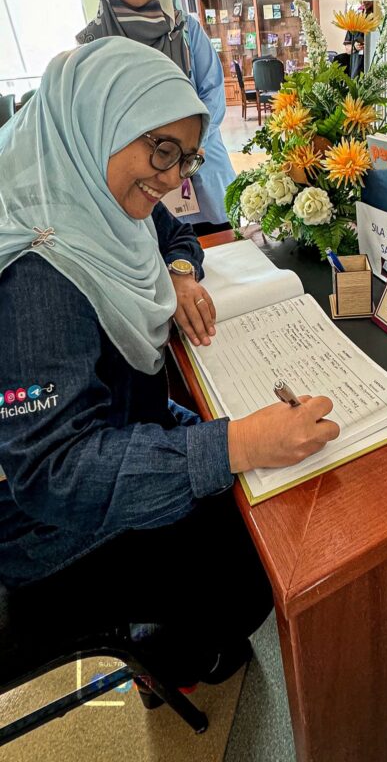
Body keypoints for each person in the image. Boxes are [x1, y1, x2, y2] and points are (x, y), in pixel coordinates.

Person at [0, 38, 338, 685]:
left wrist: (180, 272)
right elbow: (54, 474)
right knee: (252, 554)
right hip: (49, 531)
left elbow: (174, 231)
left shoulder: (89, 192)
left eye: (186, 159)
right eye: (161, 150)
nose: (174, 178)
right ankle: (180, 659)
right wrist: (236, 444)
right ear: (97, 120)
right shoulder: (37, 278)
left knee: (254, 487)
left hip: (132, 421)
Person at [77, 0, 235, 235]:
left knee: (222, 256)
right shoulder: (93, 45)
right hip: (135, 190)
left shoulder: (184, 30)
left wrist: (183, 152)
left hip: (199, 171)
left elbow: (212, 94)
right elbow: (93, 123)